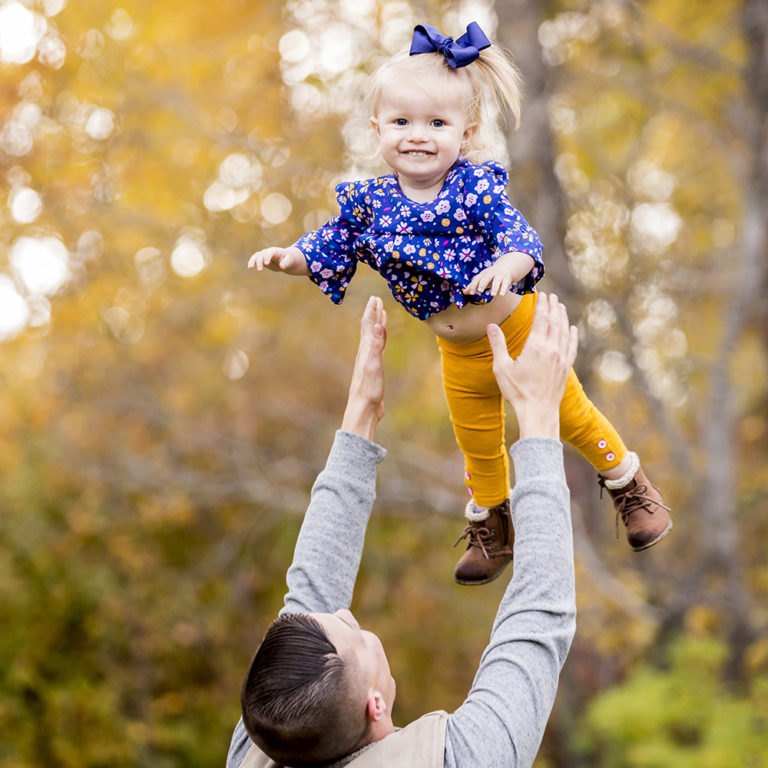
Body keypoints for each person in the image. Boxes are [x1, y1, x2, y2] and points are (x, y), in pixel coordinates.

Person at [248, 22, 672, 585]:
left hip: (514, 331)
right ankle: (494, 531)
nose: (417, 135)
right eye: (401, 122)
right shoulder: (370, 205)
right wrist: (292, 258)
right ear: (377, 129)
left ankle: (632, 489)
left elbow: (523, 243)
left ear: (465, 135)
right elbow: (331, 243)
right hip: (459, 353)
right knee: (477, 442)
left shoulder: (474, 188)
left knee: (570, 415)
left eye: (436, 124)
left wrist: (506, 268)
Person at [227, 292, 577, 768]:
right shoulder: (465, 760)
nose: (347, 616)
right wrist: (538, 416)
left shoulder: (264, 743)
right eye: (359, 637)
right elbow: (539, 615)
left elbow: (310, 593)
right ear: (376, 705)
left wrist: (360, 415)